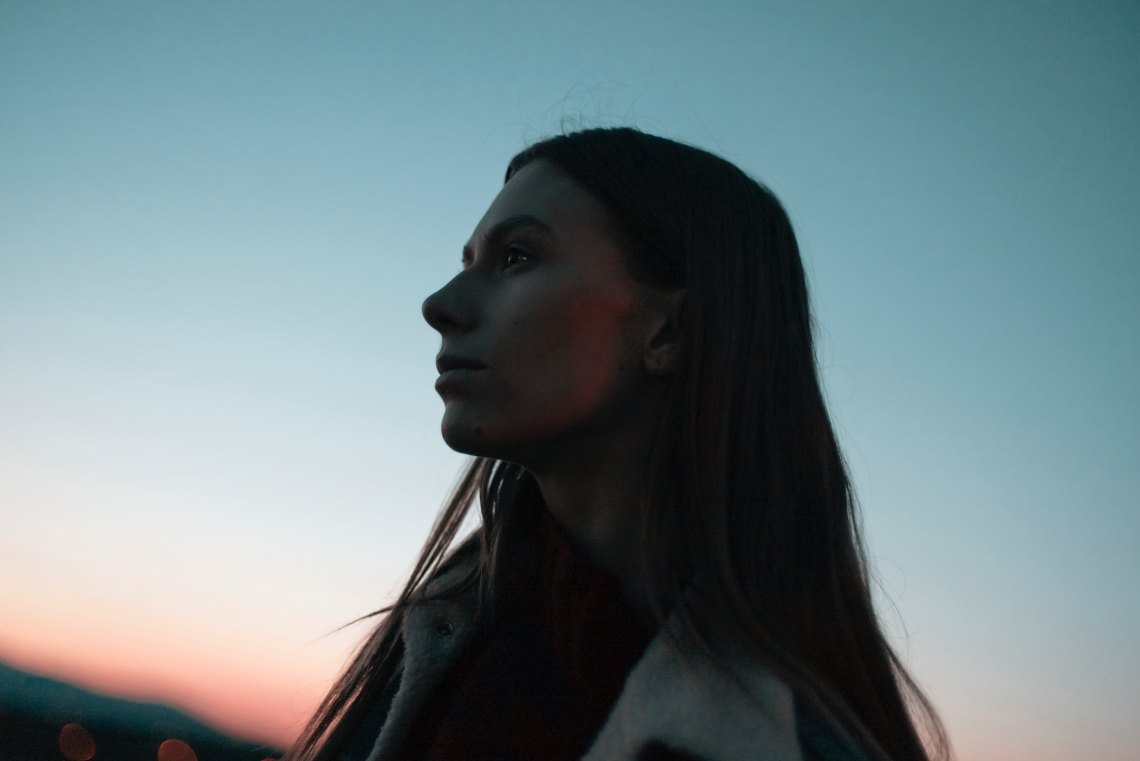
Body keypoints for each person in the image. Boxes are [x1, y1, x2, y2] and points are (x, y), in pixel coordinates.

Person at [284, 128, 950, 761]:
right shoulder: (440, 635)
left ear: (666, 334)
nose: (441, 303)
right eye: (468, 260)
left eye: (515, 257)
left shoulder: (780, 741)